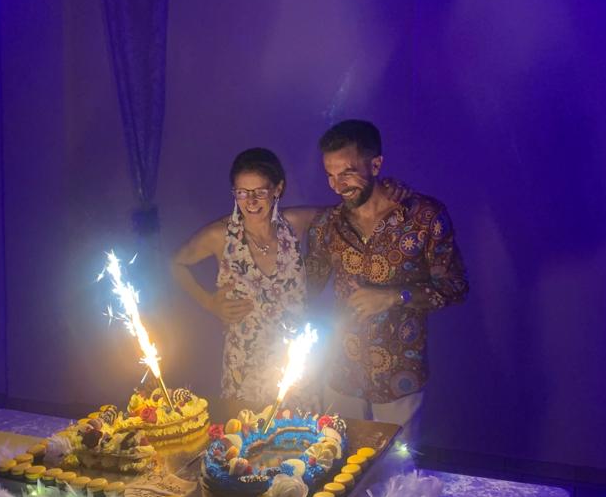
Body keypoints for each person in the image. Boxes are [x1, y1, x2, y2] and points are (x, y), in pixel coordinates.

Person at [171, 148, 407, 407]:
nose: (251, 201)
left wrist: (385, 188)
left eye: (260, 192)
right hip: (245, 366)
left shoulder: (294, 223)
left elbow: (350, 210)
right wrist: (209, 303)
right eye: (242, 193)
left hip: (296, 366)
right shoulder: (220, 236)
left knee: (300, 431)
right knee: (245, 431)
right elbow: (176, 263)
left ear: (278, 189)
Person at [305, 120, 469, 430]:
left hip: (399, 378)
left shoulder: (424, 217)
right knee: (337, 458)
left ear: (376, 165)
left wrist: (395, 296)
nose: (337, 186)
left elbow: (456, 286)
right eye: (330, 175)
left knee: (395, 462)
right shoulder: (327, 225)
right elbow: (305, 290)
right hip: (341, 376)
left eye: (347, 173)